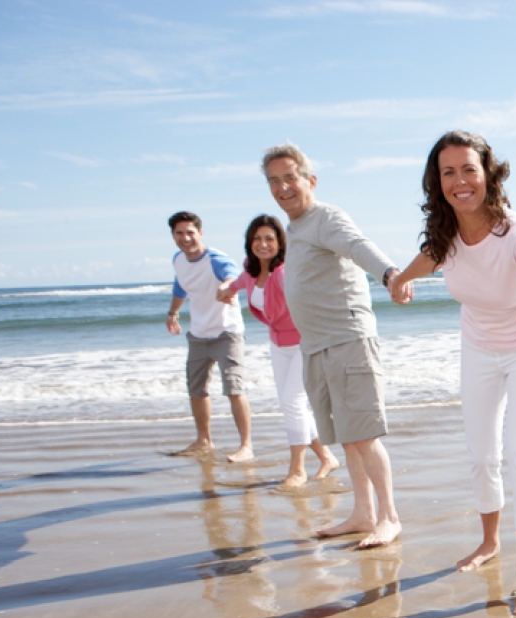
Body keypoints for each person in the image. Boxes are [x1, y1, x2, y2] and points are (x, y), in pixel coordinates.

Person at [389, 131, 516, 614]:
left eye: (469, 169)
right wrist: (401, 278)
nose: (460, 181)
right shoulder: (447, 234)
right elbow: (433, 256)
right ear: (437, 182)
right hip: (478, 349)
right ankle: (489, 541)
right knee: (482, 454)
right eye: (448, 172)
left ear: (488, 174)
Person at [262, 142, 405, 548]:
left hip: (347, 340)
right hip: (317, 346)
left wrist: (390, 274)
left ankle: (389, 516)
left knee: (363, 434)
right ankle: (363, 513)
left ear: (310, 180)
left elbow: (358, 246)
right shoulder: (296, 226)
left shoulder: (325, 216)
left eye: (290, 177)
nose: (283, 187)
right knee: (345, 433)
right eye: (274, 181)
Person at [216, 214, 339, 488]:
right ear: (249, 243)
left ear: (279, 242)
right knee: (291, 405)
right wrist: (225, 289)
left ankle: (297, 470)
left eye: (269, 238)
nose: (263, 244)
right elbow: (236, 285)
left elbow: (307, 296)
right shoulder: (250, 272)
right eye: (257, 238)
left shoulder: (284, 273)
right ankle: (327, 457)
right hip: (277, 345)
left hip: (303, 344)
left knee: (291, 403)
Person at [165, 211, 253, 461]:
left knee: (234, 388)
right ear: (173, 236)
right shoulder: (178, 260)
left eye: (190, 232)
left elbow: (233, 275)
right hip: (198, 334)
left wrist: (226, 286)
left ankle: (246, 446)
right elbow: (180, 285)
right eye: (179, 233)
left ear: (200, 233)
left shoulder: (216, 259)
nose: (186, 238)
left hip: (227, 332)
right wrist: (173, 312)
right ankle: (204, 440)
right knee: (196, 389)